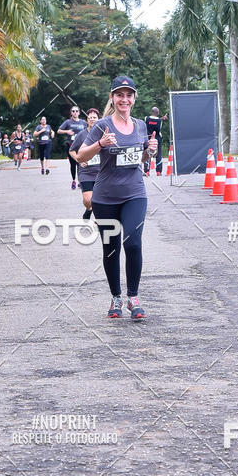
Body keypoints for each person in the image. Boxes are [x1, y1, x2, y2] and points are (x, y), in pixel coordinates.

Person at [78, 76, 157, 321]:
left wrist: (150, 151)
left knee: (133, 243)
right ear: (112, 98)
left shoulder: (141, 126)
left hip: (134, 193)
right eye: (119, 95)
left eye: (128, 95)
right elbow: (81, 156)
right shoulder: (101, 125)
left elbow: (140, 158)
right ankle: (116, 298)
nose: (124, 99)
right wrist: (100, 144)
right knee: (111, 249)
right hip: (105, 198)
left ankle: (133, 297)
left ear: (134, 98)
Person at [69, 108, 101, 219]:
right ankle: (89, 209)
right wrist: (79, 159)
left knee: (101, 199)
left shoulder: (103, 134)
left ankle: (99, 219)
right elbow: (72, 151)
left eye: (94, 117)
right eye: (90, 117)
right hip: (86, 172)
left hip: (101, 172)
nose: (92, 119)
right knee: (88, 200)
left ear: (99, 119)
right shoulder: (81, 135)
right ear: (87, 120)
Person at [58, 106, 87, 190]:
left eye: (76, 111)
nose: (75, 112)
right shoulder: (68, 122)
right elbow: (59, 131)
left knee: (80, 163)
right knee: (73, 164)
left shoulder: (83, 122)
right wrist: (67, 131)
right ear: (71, 113)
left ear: (79, 112)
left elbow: (88, 131)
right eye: (73, 111)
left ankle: (80, 181)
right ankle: (74, 180)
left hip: (81, 146)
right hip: (71, 145)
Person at [144, 106, 167, 176]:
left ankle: (147, 171)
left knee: (147, 153)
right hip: (157, 138)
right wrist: (161, 118)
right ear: (158, 113)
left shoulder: (146, 118)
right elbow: (158, 126)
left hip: (148, 138)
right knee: (159, 154)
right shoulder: (159, 121)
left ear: (151, 112)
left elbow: (151, 121)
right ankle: (158, 172)